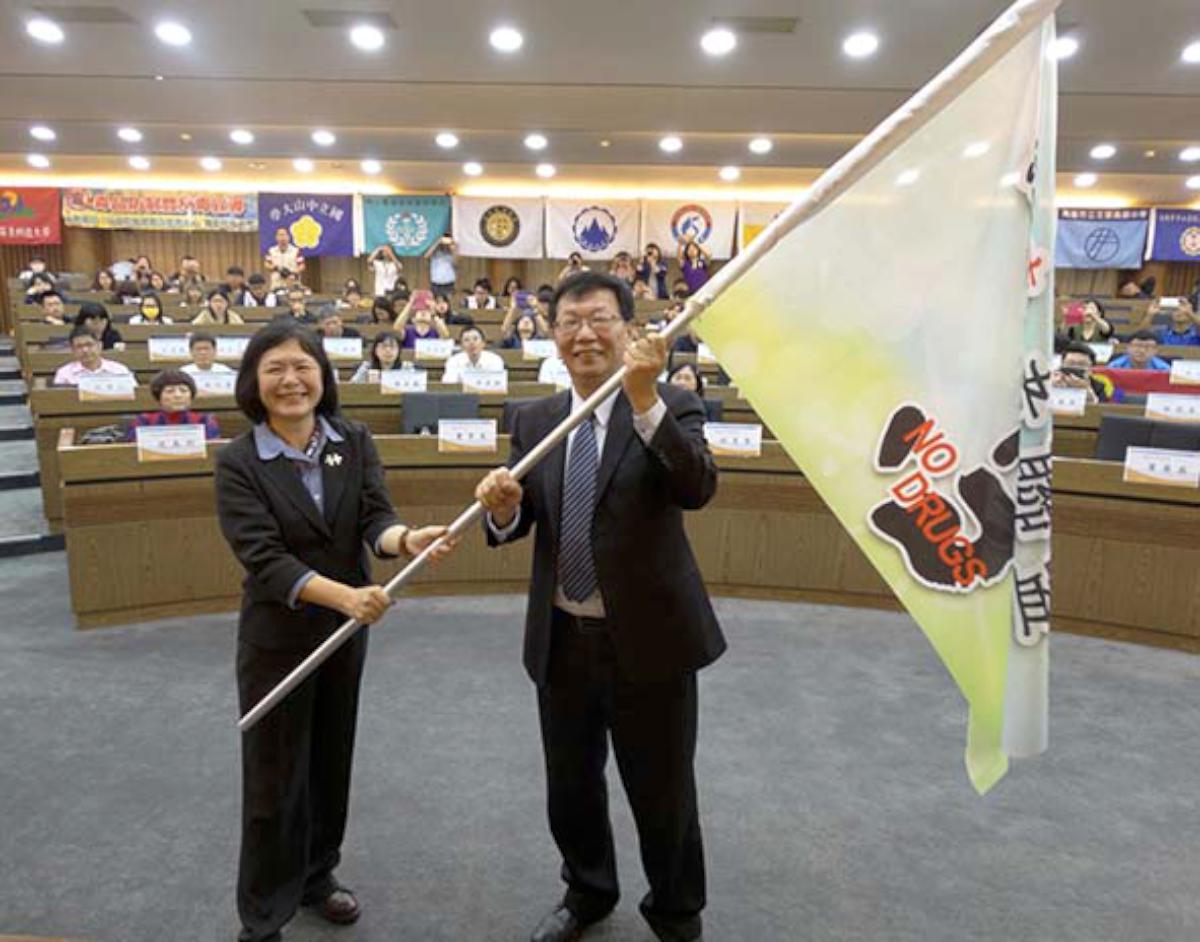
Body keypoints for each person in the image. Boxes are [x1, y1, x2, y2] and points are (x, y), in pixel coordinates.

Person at [475, 272, 724, 942]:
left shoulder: (673, 403)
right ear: (553, 335)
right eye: (570, 322)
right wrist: (504, 510)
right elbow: (519, 520)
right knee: (571, 787)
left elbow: (697, 487)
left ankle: (676, 911)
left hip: (651, 641)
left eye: (600, 319)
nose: (584, 334)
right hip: (563, 639)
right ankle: (587, 892)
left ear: (628, 328)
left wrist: (644, 399)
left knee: (663, 790)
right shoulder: (534, 419)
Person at [214, 319, 454, 942]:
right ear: (254, 383)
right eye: (275, 369)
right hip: (278, 639)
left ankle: (317, 878)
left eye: (303, 366)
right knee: (273, 777)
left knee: (329, 761)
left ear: (323, 374)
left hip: (345, 637)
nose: (291, 380)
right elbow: (264, 559)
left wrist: (406, 540)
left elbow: (375, 518)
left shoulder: (354, 438)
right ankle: (263, 912)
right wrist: (346, 596)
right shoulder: (239, 461)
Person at [126, 369, 220, 440]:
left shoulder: (204, 421)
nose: (178, 395)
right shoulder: (144, 421)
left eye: (183, 390)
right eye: (170, 391)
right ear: (158, 396)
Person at [53, 326, 135, 386]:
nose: (85, 350)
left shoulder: (119, 370)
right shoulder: (64, 374)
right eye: (79, 346)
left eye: (89, 344)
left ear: (100, 345)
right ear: (73, 350)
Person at [1053, 343, 1118, 405]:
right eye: (1070, 363)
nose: (1076, 368)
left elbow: (1101, 410)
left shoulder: (1099, 387)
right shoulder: (1052, 381)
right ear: (1062, 364)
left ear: (1091, 369)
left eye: (1082, 364)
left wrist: (1088, 392)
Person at [1133, 298, 1200, 347]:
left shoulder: (1196, 331)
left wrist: (1189, 313)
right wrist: (1150, 315)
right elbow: (1139, 336)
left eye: (1182, 309)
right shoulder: (1161, 332)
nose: (1179, 312)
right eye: (1175, 309)